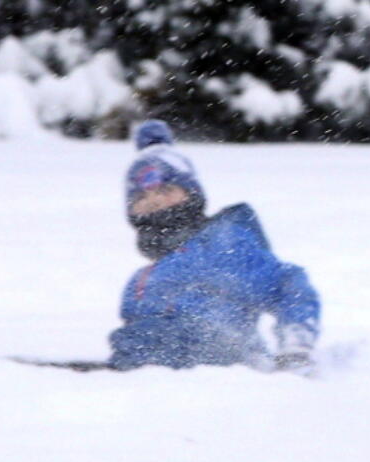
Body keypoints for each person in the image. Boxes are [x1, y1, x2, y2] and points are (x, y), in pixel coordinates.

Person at [108, 120, 320, 372]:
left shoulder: (222, 246)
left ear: (191, 193)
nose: (154, 200)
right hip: (156, 390)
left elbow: (287, 284)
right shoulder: (142, 279)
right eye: (140, 196)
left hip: (220, 378)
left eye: (166, 188)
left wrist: (296, 344)